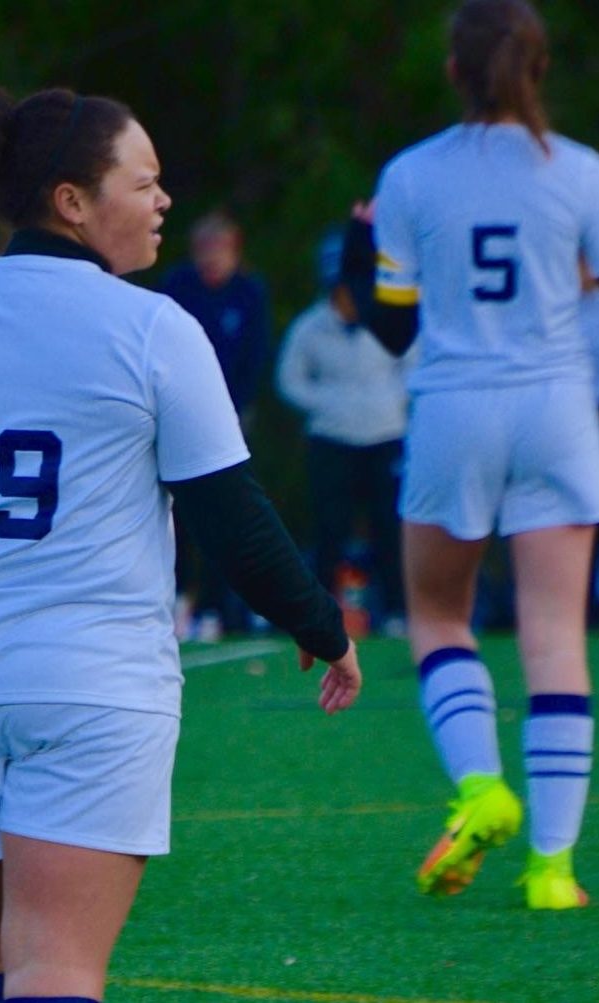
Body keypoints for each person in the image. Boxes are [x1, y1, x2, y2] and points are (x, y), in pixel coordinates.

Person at [0, 84, 361, 1003]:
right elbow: (231, 517)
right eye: (145, 181)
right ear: (71, 201)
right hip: (92, 689)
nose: (164, 201)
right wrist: (322, 625)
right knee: (55, 969)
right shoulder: (156, 329)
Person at [346, 0, 599, 909]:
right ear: (536, 68)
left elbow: (390, 325)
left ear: (454, 70)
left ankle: (479, 789)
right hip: (558, 407)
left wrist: (353, 238)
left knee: (439, 614)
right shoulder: (581, 174)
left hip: (455, 408)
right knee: (555, 635)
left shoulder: (410, 177)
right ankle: (552, 869)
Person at [276, 227, 414, 636]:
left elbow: (414, 364)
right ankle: (322, 615)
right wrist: (327, 404)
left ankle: (397, 613)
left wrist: (390, 401)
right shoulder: (310, 328)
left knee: (389, 527)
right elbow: (290, 380)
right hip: (331, 438)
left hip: (385, 434)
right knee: (331, 529)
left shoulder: (388, 318)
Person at [158, 212, 271, 640]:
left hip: (229, 419)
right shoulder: (179, 288)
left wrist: (234, 411)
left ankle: (219, 607)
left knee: (226, 515)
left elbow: (256, 357)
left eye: (217, 249)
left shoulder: (248, 292)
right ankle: (178, 601)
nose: (209, 259)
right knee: (180, 513)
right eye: (202, 249)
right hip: (179, 416)